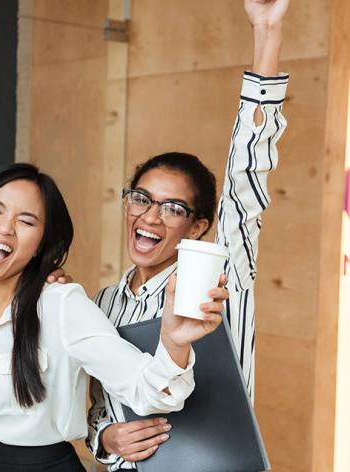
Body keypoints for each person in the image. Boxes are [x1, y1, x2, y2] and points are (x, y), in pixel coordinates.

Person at [0, 163, 228, 471]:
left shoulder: (63, 305)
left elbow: (148, 391)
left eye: (25, 221)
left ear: (40, 243)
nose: (5, 228)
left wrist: (173, 343)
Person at [85, 0, 290, 469]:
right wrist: (106, 439)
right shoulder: (103, 303)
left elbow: (247, 178)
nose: (150, 217)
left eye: (173, 208)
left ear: (199, 226)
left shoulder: (219, 282)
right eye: (141, 198)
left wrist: (266, 34)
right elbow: (99, 410)